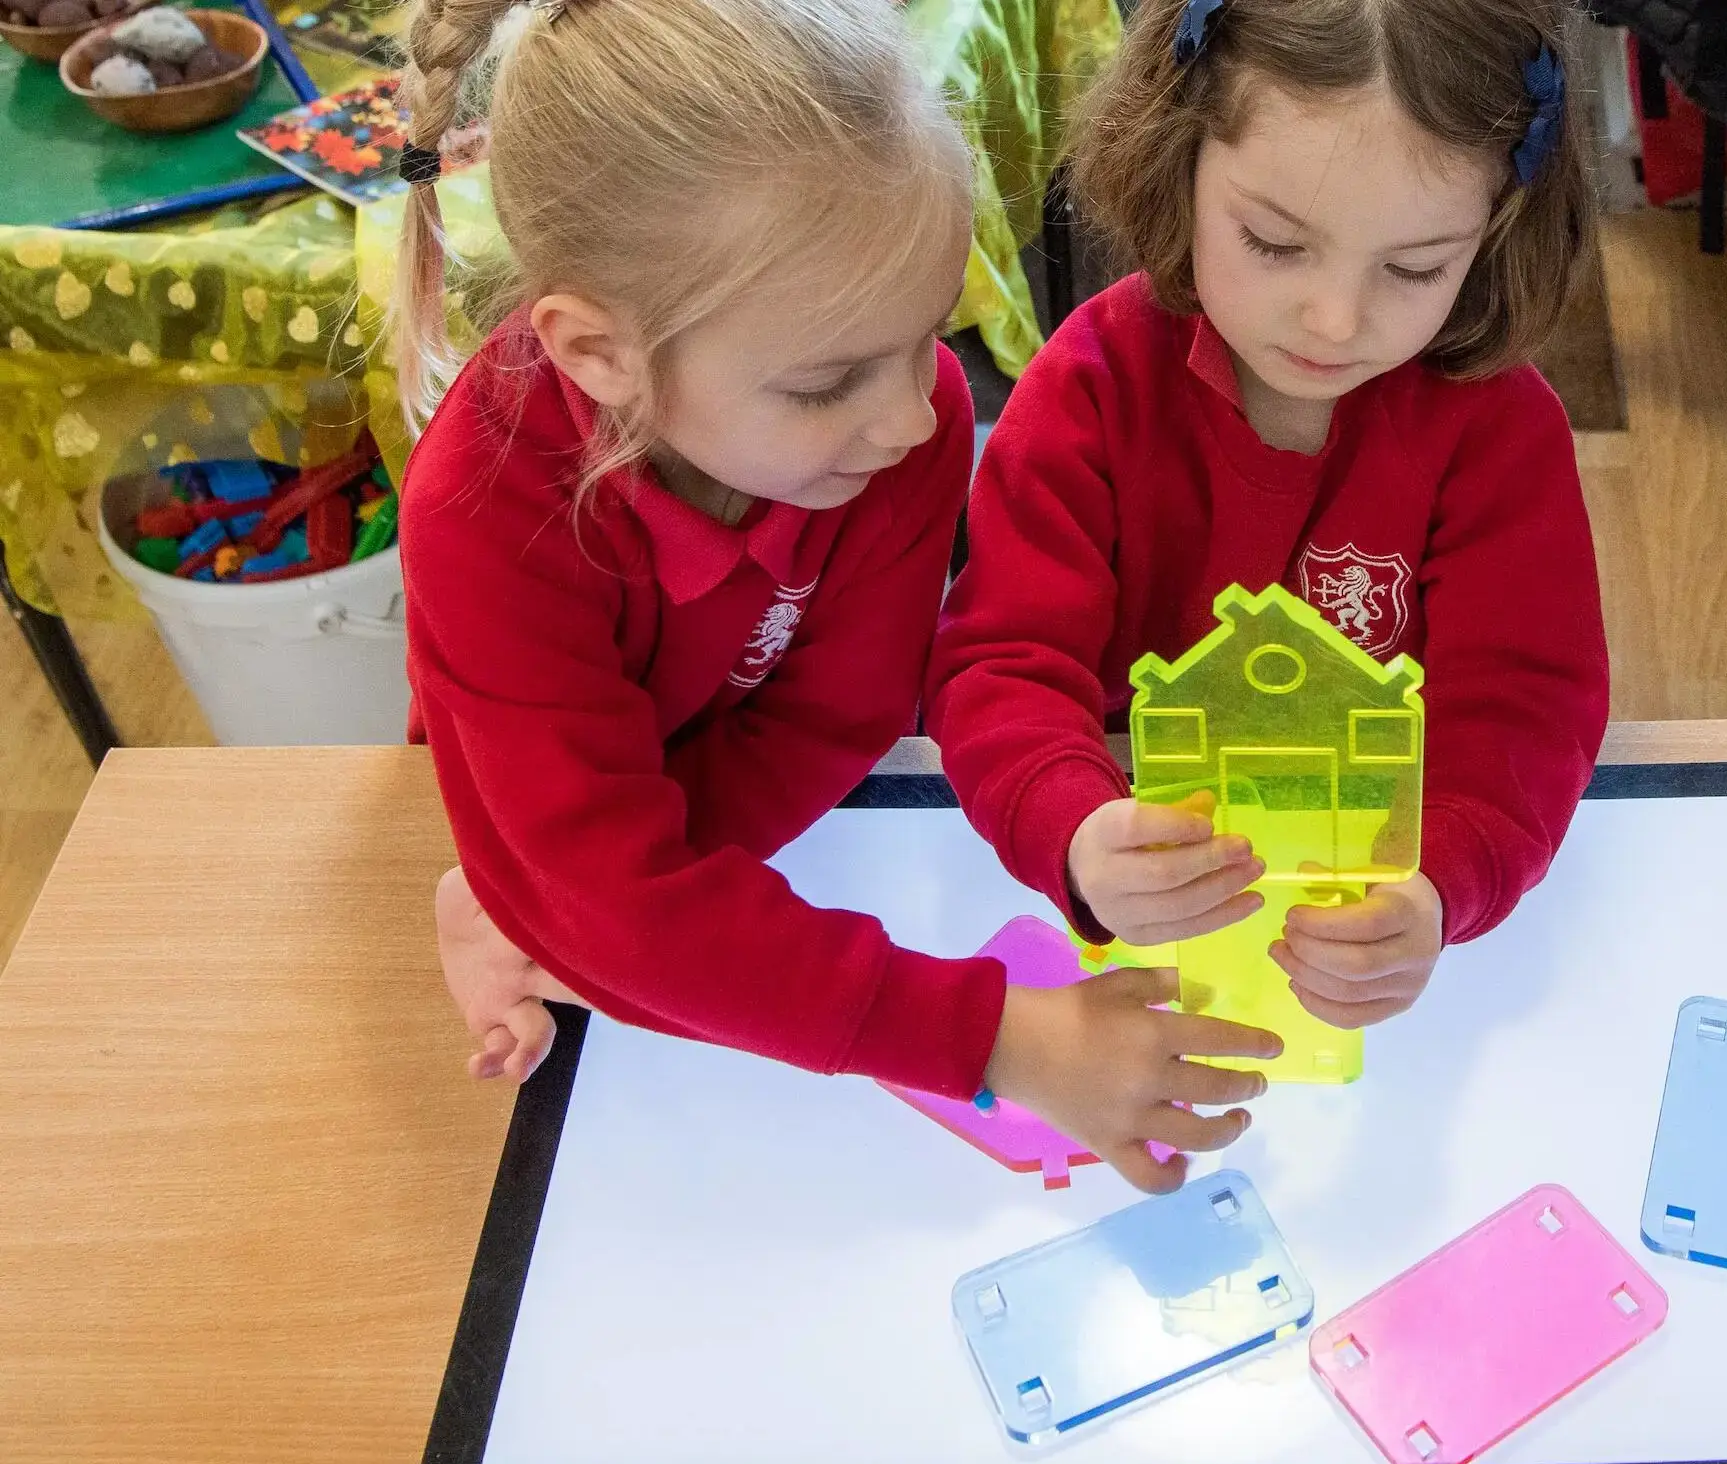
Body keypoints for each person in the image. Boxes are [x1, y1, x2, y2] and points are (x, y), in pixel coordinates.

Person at [393, 0, 1276, 1191]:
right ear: (596, 353)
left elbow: (835, 720)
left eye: (926, 336)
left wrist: (590, 909)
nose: (915, 417)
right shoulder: (480, 506)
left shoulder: (901, 433)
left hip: (669, 832)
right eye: (824, 383)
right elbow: (613, 886)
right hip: (538, 796)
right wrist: (1000, 1037)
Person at [926, 0, 1609, 1037]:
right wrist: (1074, 827)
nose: (1336, 321)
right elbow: (1002, 663)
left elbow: (1525, 710)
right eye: (1274, 243)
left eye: (1416, 267)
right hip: (1141, 892)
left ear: (1498, 228)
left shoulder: (1499, 433)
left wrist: (1436, 880)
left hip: (1361, 903)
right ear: (1177, 154)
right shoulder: (1089, 386)